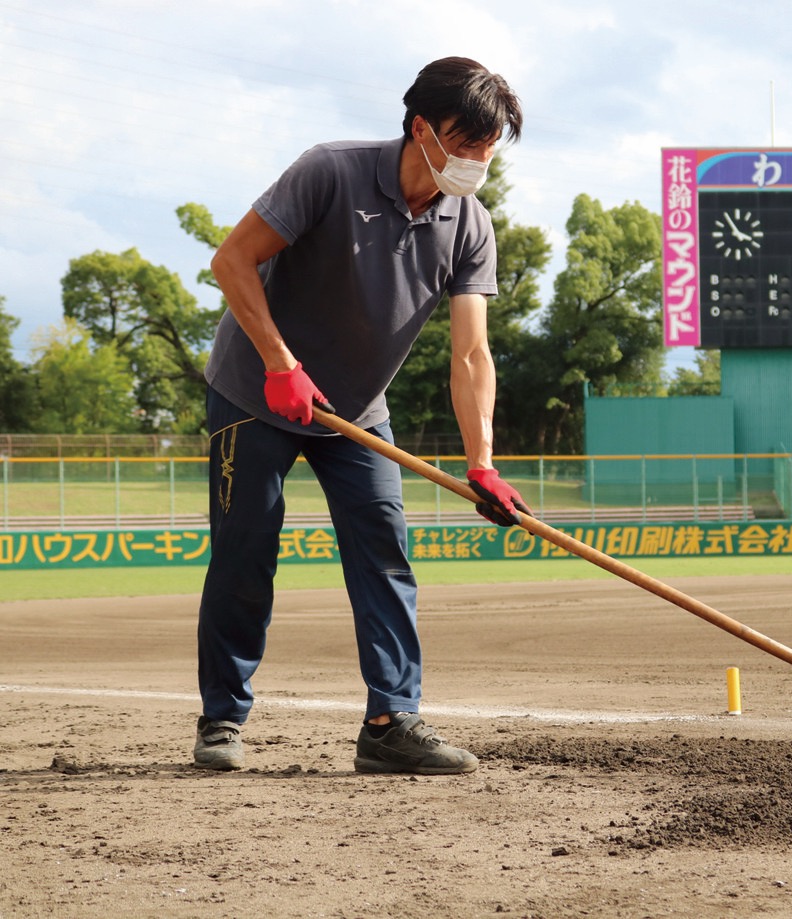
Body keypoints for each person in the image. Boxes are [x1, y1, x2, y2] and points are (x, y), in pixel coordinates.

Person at [192, 57, 531, 774]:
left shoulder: (468, 224)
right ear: (420, 129)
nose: (475, 162)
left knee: (384, 547)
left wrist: (483, 460)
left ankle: (390, 720)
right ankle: (223, 717)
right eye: (464, 144)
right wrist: (281, 362)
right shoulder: (331, 172)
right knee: (245, 552)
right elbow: (233, 261)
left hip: (356, 409)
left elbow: (471, 356)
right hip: (258, 389)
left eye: (487, 150)